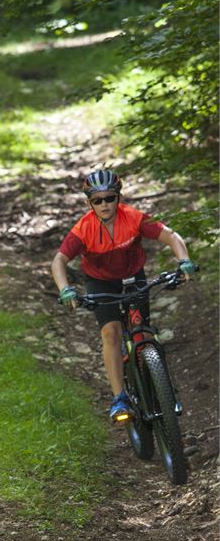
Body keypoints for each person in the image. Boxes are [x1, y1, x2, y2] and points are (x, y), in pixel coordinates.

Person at [51, 169, 196, 422]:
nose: (104, 204)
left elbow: (170, 235)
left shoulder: (133, 217)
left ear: (119, 197)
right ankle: (120, 397)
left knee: (142, 329)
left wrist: (184, 261)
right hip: (100, 283)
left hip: (133, 277)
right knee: (111, 332)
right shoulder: (83, 228)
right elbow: (59, 260)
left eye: (110, 198)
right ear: (89, 203)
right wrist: (65, 289)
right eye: (97, 200)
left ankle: (157, 379)